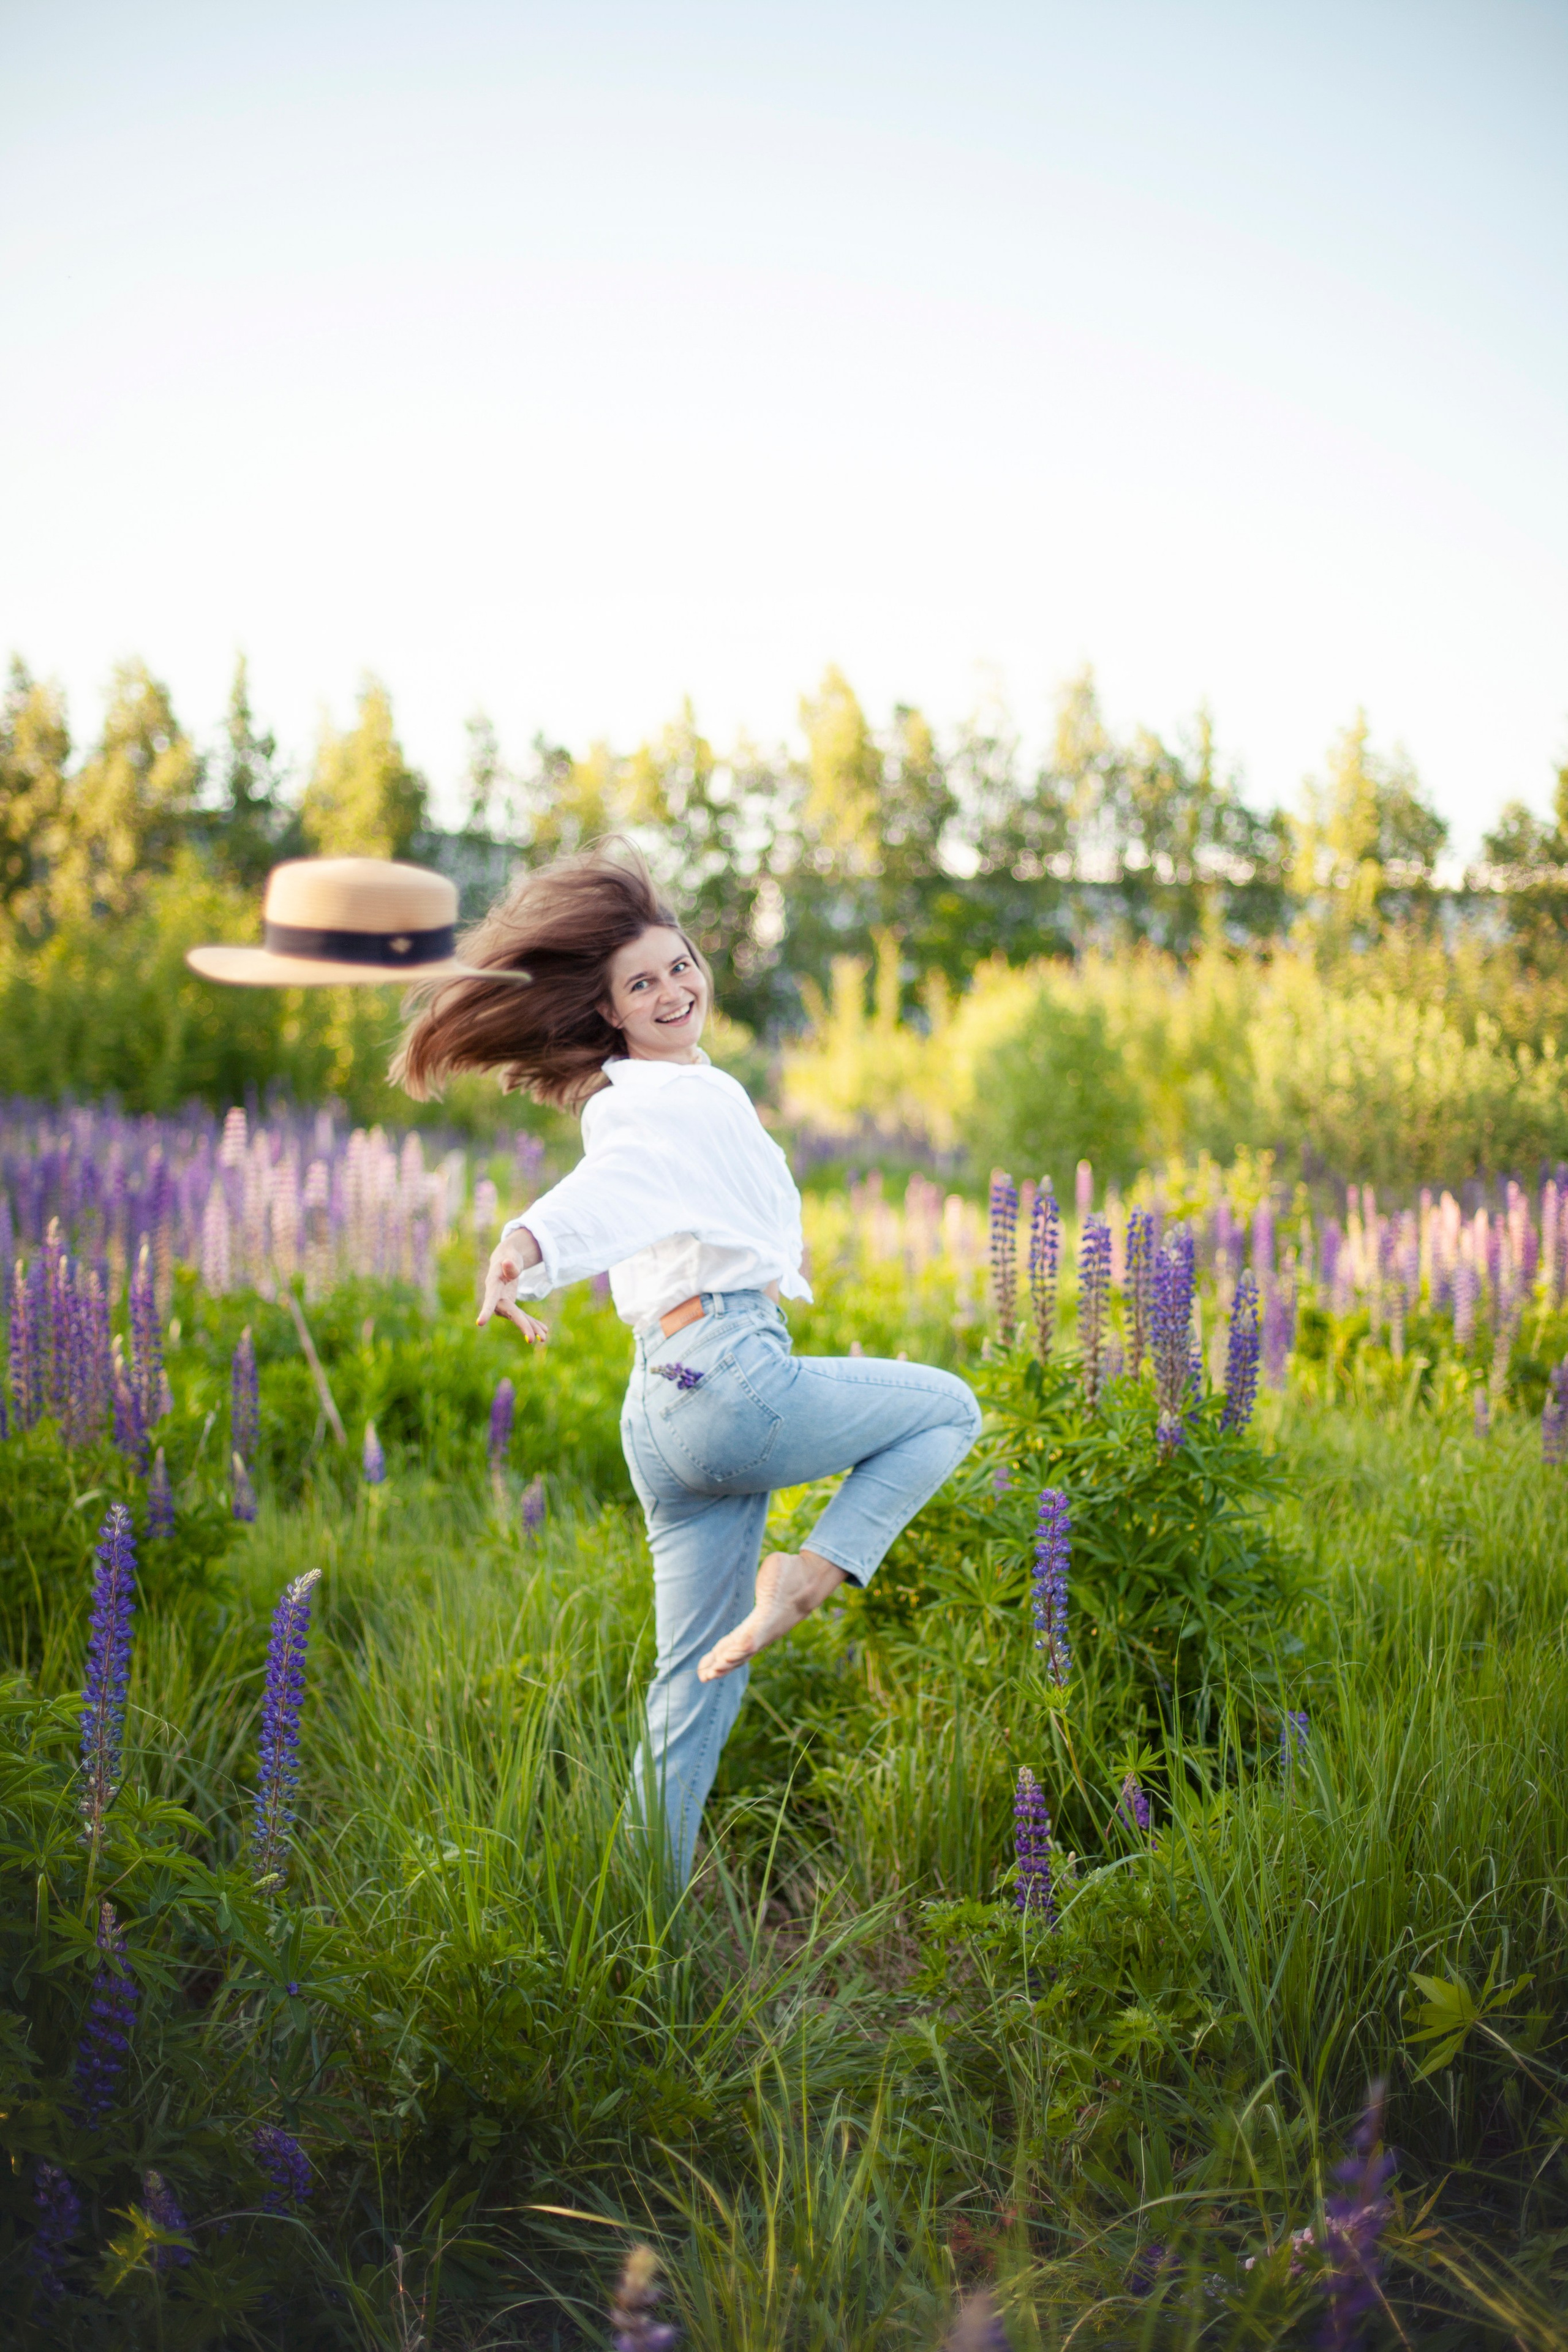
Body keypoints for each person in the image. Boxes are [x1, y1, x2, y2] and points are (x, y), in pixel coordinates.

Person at [393, 840, 982, 1881]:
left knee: (692, 1678)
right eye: (641, 985)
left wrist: (530, 1247)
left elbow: (635, 1186)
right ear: (609, 1010)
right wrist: (525, 1243)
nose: (672, 992)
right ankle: (811, 1576)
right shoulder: (651, 1101)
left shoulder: (674, 1089)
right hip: (729, 1376)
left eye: (680, 967)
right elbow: (613, 1182)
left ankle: (642, 1901)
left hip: (661, 1407)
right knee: (949, 1409)